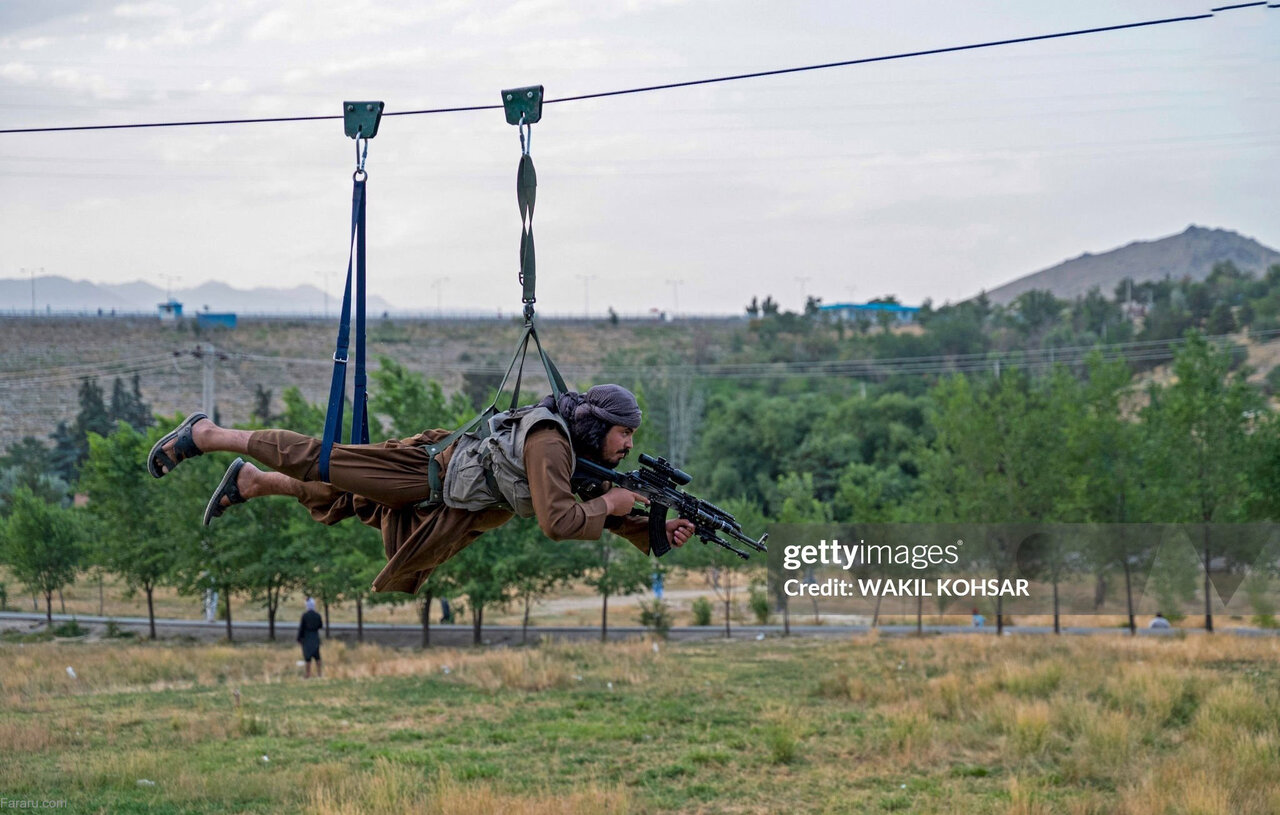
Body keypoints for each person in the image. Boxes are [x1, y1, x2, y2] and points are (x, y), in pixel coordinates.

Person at [148, 384, 694, 594]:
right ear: (599, 426)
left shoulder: (574, 453)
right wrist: (613, 502)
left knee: (344, 500)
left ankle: (252, 481)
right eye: (625, 433)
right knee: (323, 460)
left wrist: (654, 529)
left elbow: (595, 504)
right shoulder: (551, 442)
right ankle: (209, 434)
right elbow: (560, 521)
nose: (629, 445)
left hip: (448, 502)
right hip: (424, 473)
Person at [297, 597, 324, 678]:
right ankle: (319, 673)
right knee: (317, 656)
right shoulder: (317, 615)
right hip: (315, 636)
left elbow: (301, 628)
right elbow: (320, 626)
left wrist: (299, 638)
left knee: (307, 656)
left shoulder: (305, 616)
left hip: (307, 637)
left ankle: (308, 674)